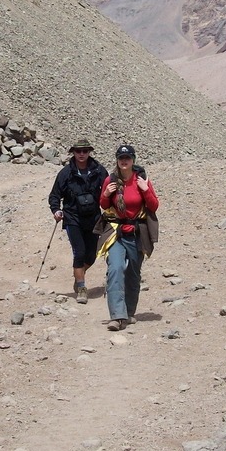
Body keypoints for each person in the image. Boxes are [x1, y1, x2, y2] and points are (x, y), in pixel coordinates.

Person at [95, 144, 159, 331]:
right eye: (121, 158)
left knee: (133, 272)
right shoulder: (110, 180)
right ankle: (117, 316)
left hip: (137, 233)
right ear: (117, 160)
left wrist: (145, 190)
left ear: (133, 160)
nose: (124, 161)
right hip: (116, 232)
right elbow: (104, 205)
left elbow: (154, 206)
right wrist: (106, 194)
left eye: (128, 158)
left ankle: (129, 312)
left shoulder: (142, 180)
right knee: (115, 269)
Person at [48, 138, 108, 304]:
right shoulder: (65, 173)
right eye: (78, 151)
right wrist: (56, 210)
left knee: (92, 255)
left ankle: (78, 274)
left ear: (89, 152)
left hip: (94, 219)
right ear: (73, 152)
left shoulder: (99, 171)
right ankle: (81, 287)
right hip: (73, 218)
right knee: (79, 252)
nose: (81, 154)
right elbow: (54, 196)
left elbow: (108, 192)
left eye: (85, 151)